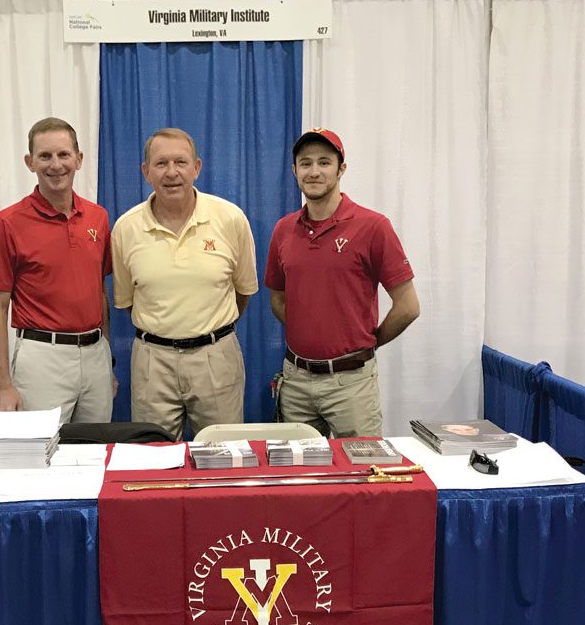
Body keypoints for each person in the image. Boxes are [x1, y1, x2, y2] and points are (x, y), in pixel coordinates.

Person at [265, 128, 420, 438]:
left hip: (351, 384)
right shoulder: (284, 230)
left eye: (324, 162)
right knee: (300, 479)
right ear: (295, 170)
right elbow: (279, 300)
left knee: (362, 475)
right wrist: (311, 331)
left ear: (341, 169)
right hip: (295, 381)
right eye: (305, 163)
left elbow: (408, 307)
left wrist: (365, 342)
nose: (314, 171)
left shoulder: (373, 227)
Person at [111, 128, 259, 440]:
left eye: (181, 161)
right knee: (154, 461)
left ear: (197, 167)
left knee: (224, 456)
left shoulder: (230, 219)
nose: (172, 172)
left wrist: (207, 329)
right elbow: (127, 301)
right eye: (161, 163)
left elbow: (243, 291)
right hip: (152, 361)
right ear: (145, 171)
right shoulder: (126, 228)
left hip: (216, 356)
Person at [0, 117, 114, 424]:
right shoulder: (8, 223)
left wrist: (106, 359)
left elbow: (99, 290)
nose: (56, 165)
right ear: (30, 162)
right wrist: (2, 385)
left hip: (95, 357)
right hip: (42, 357)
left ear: (79, 160)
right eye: (45, 156)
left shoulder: (98, 218)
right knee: (39, 456)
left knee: (95, 455)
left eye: (64, 155)